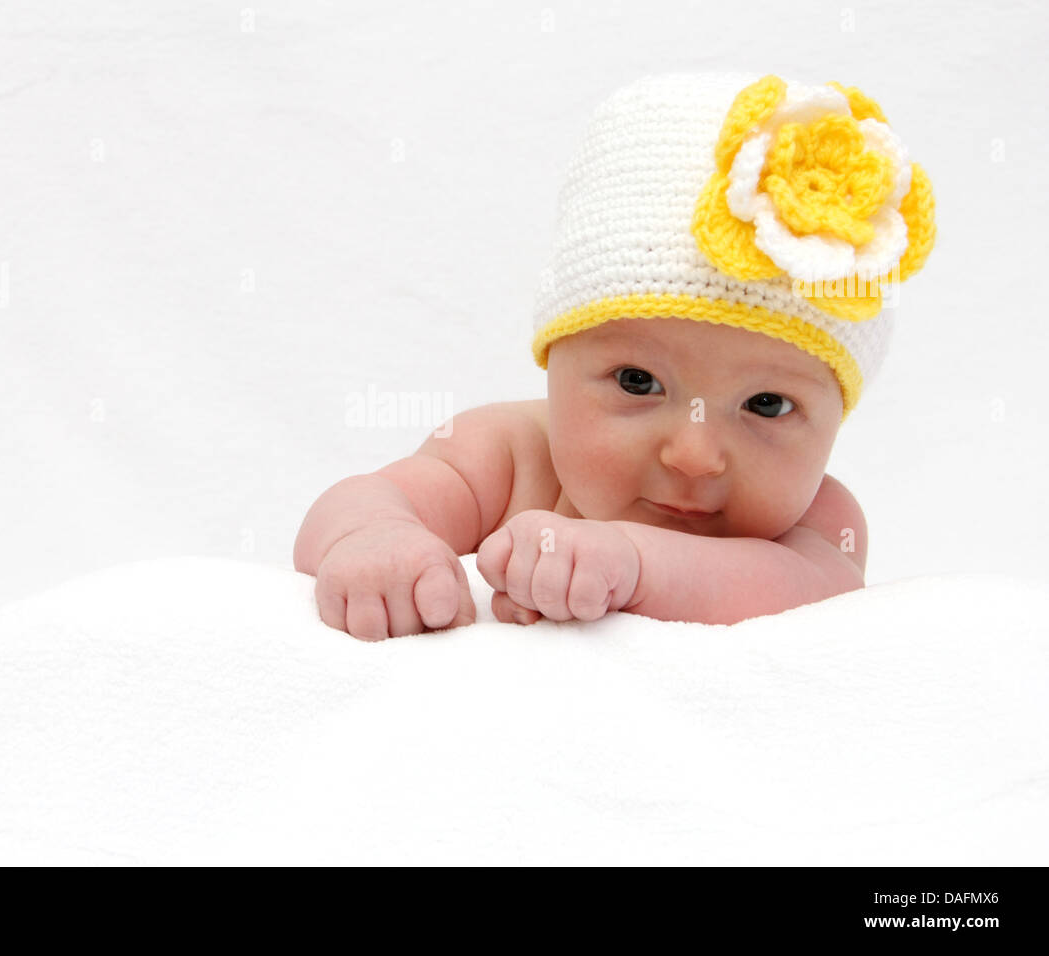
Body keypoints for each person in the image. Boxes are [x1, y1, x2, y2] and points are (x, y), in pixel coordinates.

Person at [294, 70, 936, 641]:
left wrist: (632, 561)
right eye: (637, 381)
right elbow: (368, 498)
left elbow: (812, 598)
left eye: (767, 404)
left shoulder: (820, 524)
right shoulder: (508, 454)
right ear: (554, 362)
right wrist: (374, 539)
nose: (694, 455)